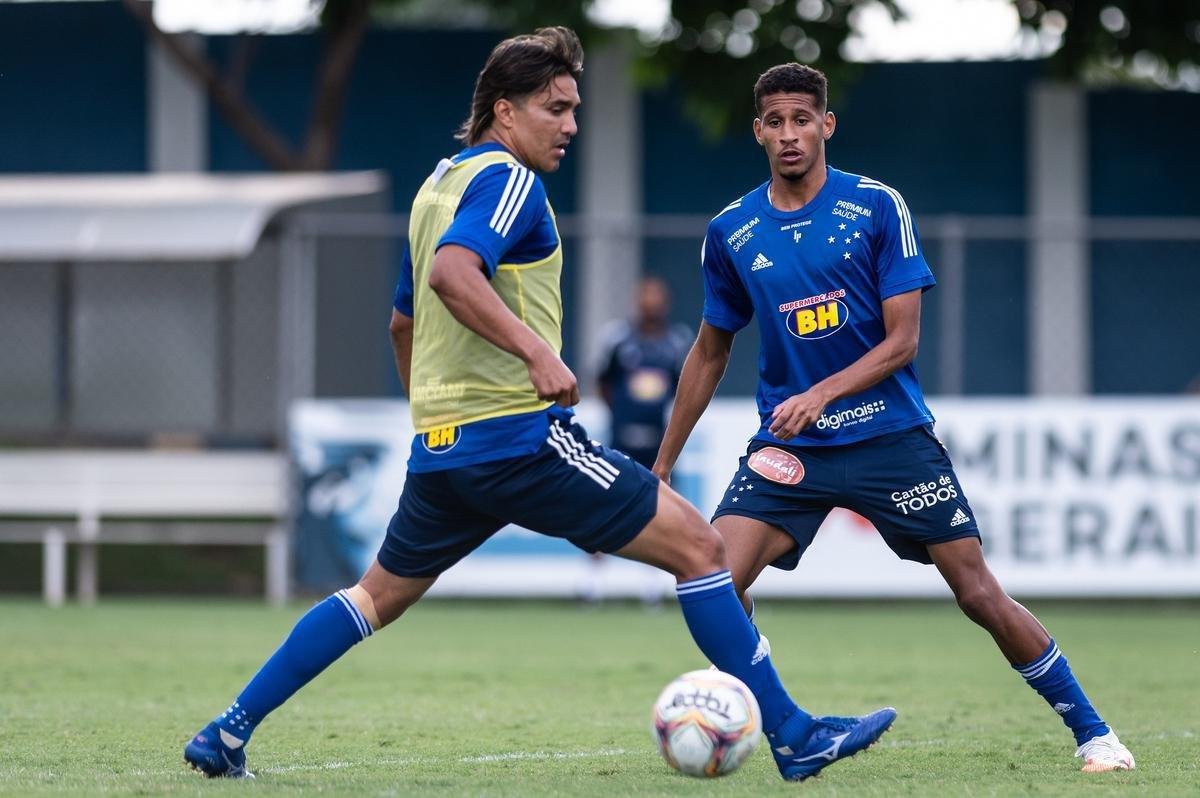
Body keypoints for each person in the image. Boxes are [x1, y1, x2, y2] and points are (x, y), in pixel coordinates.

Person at [183, 30, 894, 782]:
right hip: (519, 441)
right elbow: (455, 275)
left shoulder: (437, 188)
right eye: (556, 108)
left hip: (445, 451)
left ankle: (227, 732)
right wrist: (535, 352)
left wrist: (435, 418)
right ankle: (793, 734)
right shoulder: (510, 181)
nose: (571, 125)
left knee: (374, 596)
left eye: (574, 109)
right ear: (504, 110)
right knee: (703, 549)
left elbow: (402, 322)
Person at [652, 62, 1135, 774]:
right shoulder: (731, 229)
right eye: (775, 122)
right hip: (793, 449)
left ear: (826, 124)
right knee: (711, 578)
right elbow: (709, 350)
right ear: (758, 132)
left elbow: (902, 340)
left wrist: (821, 393)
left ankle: (1095, 733)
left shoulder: (877, 206)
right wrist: (663, 464)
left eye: (802, 120)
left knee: (977, 592)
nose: (790, 135)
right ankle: (779, 714)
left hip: (890, 437)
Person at [596, 277, 692, 469]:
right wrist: (622, 411)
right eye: (646, 295)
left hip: (662, 441)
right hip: (621, 439)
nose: (651, 301)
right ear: (636, 300)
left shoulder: (679, 342)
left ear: (667, 302)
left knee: (661, 486)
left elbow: (685, 389)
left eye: (657, 295)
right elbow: (602, 381)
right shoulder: (618, 338)